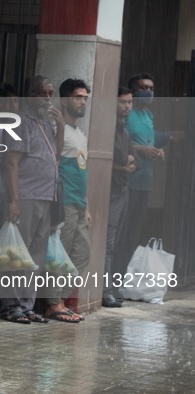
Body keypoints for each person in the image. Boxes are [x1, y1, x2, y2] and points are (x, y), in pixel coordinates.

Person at [1, 75, 64, 324]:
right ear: (30, 95)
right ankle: (11, 305)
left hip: (46, 196)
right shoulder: (21, 122)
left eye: (50, 93)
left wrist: (61, 128)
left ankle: (26, 305)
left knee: (36, 255)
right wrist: (14, 200)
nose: (46, 98)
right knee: (19, 253)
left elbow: (56, 155)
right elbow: (11, 163)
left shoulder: (47, 123)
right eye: (41, 93)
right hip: (26, 195)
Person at [43, 78, 91, 323]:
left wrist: (88, 207)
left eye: (85, 97)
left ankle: (56, 298)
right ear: (64, 100)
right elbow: (55, 167)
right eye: (77, 97)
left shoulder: (80, 134)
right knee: (58, 256)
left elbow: (81, 171)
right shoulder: (56, 128)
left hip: (79, 205)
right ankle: (54, 302)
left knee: (83, 254)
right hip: (64, 203)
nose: (82, 101)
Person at [114, 73, 170, 279]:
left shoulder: (148, 115)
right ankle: (110, 279)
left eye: (151, 88)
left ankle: (121, 277)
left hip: (145, 181)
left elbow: (149, 142)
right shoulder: (126, 116)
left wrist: (156, 151)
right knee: (120, 232)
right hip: (128, 181)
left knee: (133, 234)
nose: (148, 92)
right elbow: (122, 144)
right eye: (143, 88)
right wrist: (142, 150)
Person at [102, 87, 137, 308]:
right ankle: (104, 290)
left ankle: (109, 287)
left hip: (122, 191)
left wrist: (124, 164)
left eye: (129, 103)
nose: (127, 106)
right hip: (110, 190)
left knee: (114, 243)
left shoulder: (124, 131)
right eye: (123, 102)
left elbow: (135, 163)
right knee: (107, 242)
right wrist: (123, 164)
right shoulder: (110, 128)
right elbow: (123, 158)